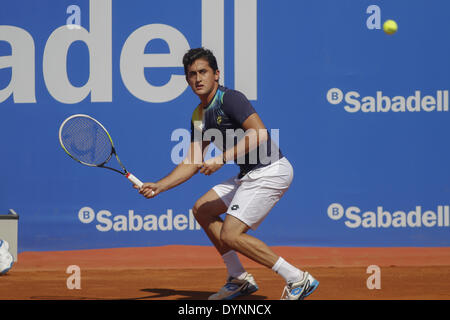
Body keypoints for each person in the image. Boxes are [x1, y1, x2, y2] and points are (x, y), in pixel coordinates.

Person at [136, 47, 319, 300]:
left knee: (231, 234)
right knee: (202, 209)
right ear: (187, 80)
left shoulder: (230, 98)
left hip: (270, 170)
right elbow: (192, 161)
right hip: (249, 174)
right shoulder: (198, 115)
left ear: (216, 75)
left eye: (203, 72)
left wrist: (221, 158)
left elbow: (259, 133)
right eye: (192, 74)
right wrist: (159, 185)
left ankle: (297, 278)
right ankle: (238, 277)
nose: (198, 78)